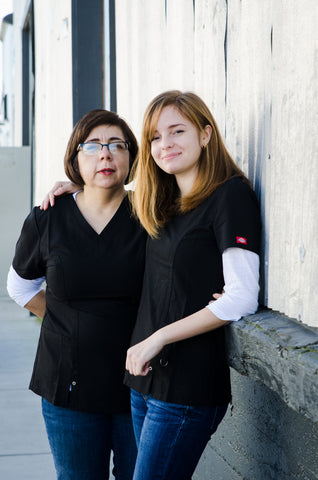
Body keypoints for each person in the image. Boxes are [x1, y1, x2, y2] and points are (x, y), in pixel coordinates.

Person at [123, 90, 261, 480]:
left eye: (177, 131)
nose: (164, 144)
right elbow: (102, 199)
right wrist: (70, 191)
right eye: (154, 136)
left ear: (205, 134)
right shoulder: (162, 203)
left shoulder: (230, 196)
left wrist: (158, 337)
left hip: (185, 388)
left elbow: (241, 298)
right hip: (144, 380)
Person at [7, 109, 147, 480]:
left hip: (140, 386)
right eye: (93, 146)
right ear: (74, 159)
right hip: (68, 387)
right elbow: (19, 286)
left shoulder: (149, 216)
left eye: (117, 145)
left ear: (131, 157)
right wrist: (63, 320)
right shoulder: (48, 218)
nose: (106, 154)